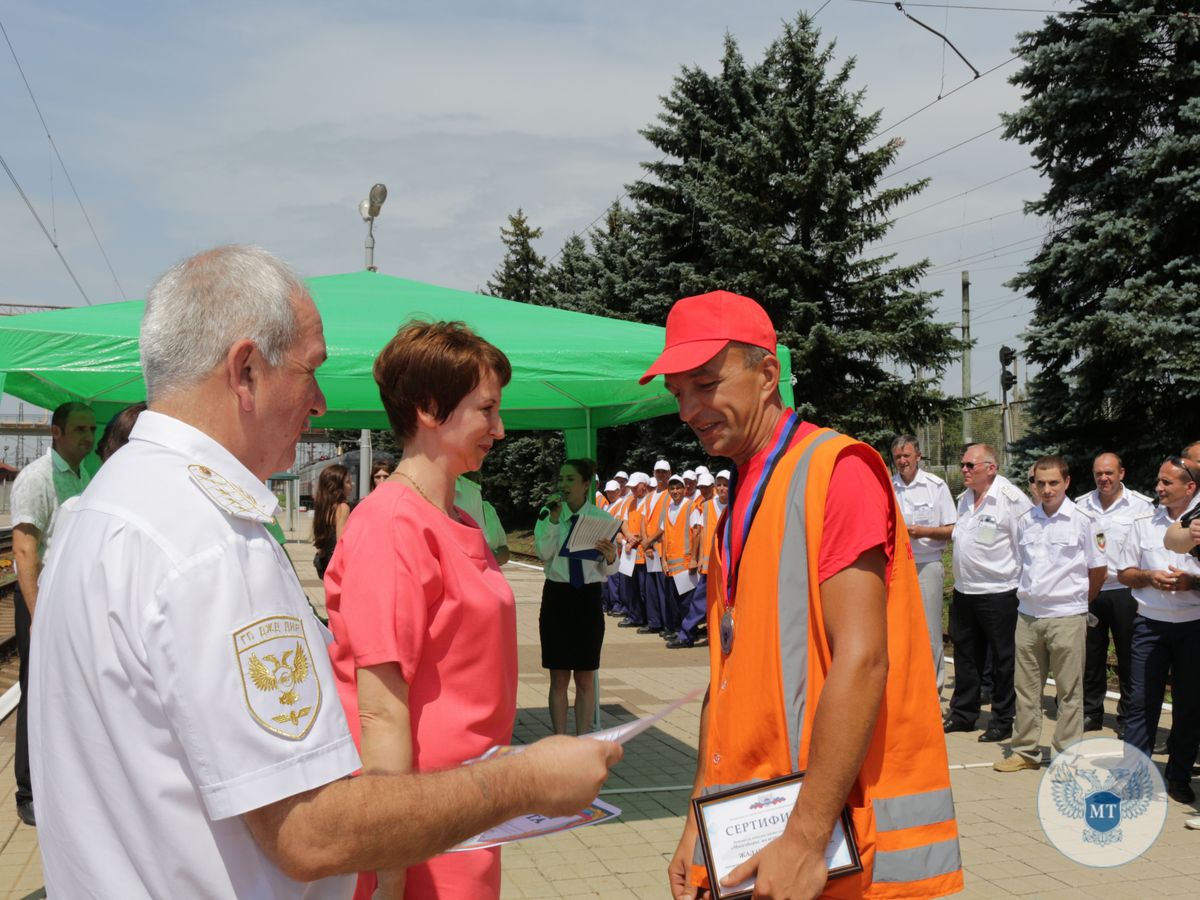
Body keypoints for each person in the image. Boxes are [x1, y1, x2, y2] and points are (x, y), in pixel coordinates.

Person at [28, 245, 620, 899]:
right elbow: (310, 832)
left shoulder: (100, 509)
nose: (319, 402)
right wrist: (522, 783)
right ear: (246, 370)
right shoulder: (212, 544)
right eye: (310, 371)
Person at [643, 290, 960, 899]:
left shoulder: (834, 471)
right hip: (753, 825)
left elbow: (863, 660)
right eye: (678, 393)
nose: (688, 409)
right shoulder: (739, 494)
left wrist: (807, 836)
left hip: (826, 844)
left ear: (766, 375)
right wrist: (695, 821)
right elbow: (727, 673)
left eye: (705, 384)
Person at [326, 320, 524, 899]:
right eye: (486, 410)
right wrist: (391, 871)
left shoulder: (456, 519)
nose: (500, 429)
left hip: (464, 816)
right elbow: (380, 711)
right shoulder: (392, 526)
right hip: (420, 839)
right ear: (431, 408)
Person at [10, 400, 96, 827]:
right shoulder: (37, 479)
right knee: (36, 687)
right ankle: (27, 790)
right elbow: (25, 551)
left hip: (72, 601)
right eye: (80, 428)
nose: (89, 436)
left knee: (69, 689)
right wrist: (38, 613)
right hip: (40, 599)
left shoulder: (88, 473)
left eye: (92, 428)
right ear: (55, 433)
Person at [994, 457, 1106, 772]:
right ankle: (1025, 752)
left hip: (1067, 615)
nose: (1046, 489)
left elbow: (1098, 568)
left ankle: (1067, 755)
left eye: (1053, 482)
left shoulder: (1084, 519)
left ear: (1066, 482)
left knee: (1069, 691)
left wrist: (1081, 600)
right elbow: (1021, 562)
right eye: (1040, 483)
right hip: (1028, 615)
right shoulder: (1026, 520)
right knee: (1026, 689)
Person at [1117, 455, 1200, 804]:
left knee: (1190, 706)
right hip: (1149, 625)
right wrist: (1149, 577)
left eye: (1167, 482)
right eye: (1159, 480)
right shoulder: (1143, 522)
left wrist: (1190, 582)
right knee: (1140, 704)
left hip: (1193, 627)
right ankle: (1134, 779)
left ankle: (1178, 777)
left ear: (1190, 487)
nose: (1159, 487)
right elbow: (1124, 572)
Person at [944, 443, 1033, 741]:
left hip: (999, 593)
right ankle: (964, 714)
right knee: (966, 656)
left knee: (1003, 660)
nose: (965, 471)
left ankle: (1002, 719)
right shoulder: (964, 500)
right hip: (965, 590)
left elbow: (1027, 546)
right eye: (963, 465)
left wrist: (1022, 588)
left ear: (991, 468)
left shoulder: (1011, 500)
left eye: (971, 465)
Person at [535, 457, 618, 735]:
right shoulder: (549, 516)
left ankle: (583, 737)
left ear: (586, 485)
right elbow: (543, 555)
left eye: (570, 479)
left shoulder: (601, 520)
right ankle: (559, 737)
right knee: (558, 677)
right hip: (557, 598)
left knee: (585, 676)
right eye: (561, 479)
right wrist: (555, 521)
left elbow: (611, 569)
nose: (564, 485)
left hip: (587, 599)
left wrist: (611, 556)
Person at [1078, 452, 1154, 736]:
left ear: (1121, 473)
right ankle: (1090, 712)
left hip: (1126, 590)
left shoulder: (1141, 506)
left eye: (1109, 473)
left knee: (1129, 656)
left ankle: (1128, 718)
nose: (1103, 478)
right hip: (1092, 589)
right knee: (1091, 655)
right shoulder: (1082, 505)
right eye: (1098, 473)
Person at [891, 434, 957, 695]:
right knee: (900, 629)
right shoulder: (889, 485)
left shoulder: (935, 486)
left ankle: (933, 689)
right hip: (898, 565)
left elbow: (952, 529)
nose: (903, 461)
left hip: (927, 564)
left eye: (907, 455)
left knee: (930, 633)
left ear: (918, 456)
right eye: (898, 457)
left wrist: (924, 531)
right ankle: (906, 688)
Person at [669, 470, 721, 649]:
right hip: (708, 565)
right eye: (702, 488)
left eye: (708, 487)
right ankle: (686, 634)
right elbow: (699, 534)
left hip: (726, 565)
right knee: (698, 603)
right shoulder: (706, 507)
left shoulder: (734, 504)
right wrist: (696, 558)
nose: (705, 491)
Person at [455, 471, 510, 566]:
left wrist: (489, 556)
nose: (480, 474)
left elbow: (505, 552)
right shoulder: (450, 501)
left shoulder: (488, 508)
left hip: (490, 578)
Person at [312, 463, 353, 579]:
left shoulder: (324, 507)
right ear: (337, 486)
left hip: (324, 560)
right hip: (336, 563)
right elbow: (341, 542)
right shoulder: (343, 508)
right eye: (348, 482)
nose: (352, 484)